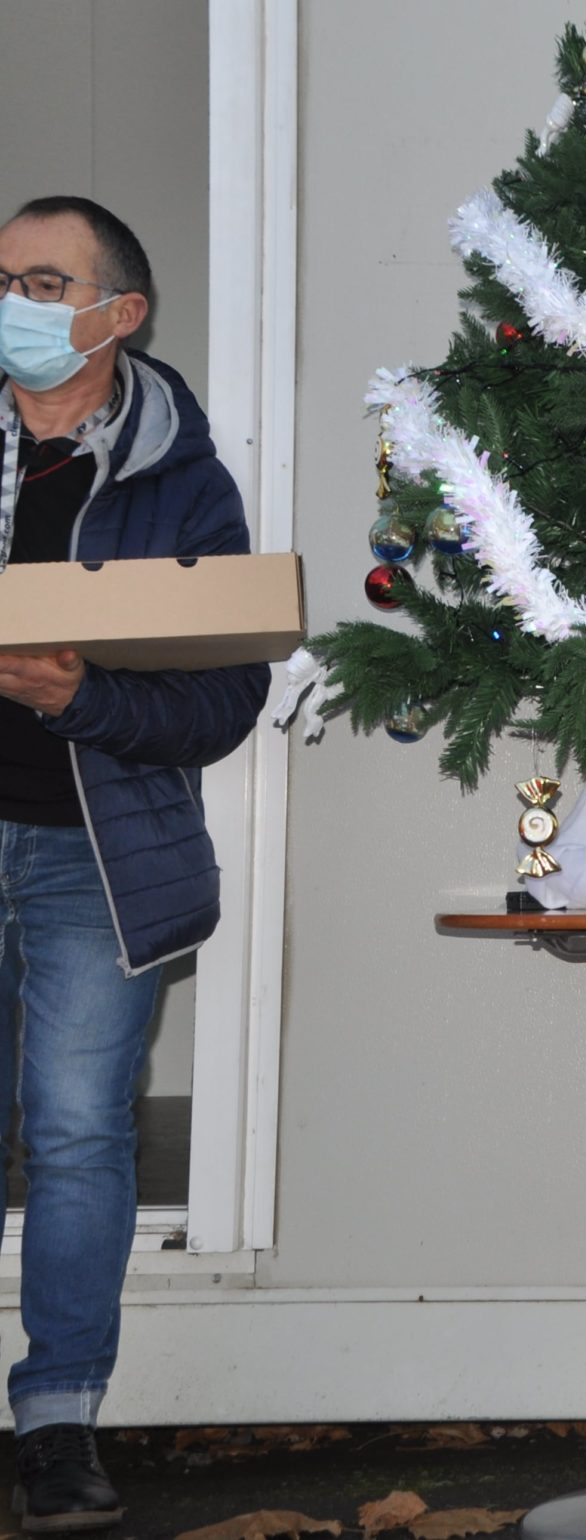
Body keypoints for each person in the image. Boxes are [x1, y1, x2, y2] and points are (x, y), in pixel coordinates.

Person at [0, 197, 270, 1532]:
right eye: (4, 279)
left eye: (45, 281)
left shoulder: (183, 484)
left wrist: (72, 699)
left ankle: (56, 1423)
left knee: (73, 1135)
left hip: (87, 867)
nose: (18, 303)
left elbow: (219, 707)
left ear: (121, 313)